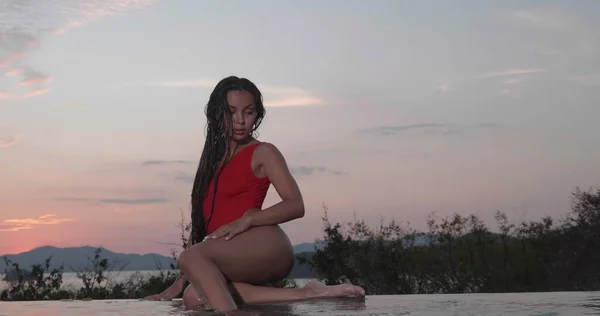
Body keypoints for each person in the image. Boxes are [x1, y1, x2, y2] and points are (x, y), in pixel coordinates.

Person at [143, 76, 365, 312]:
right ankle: (306, 292)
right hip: (228, 250)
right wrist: (181, 280)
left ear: (256, 116)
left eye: (248, 112)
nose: (240, 121)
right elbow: (201, 225)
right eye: (231, 112)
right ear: (217, 114)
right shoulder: (211, 162)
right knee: (193, 296)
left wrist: (248, 219)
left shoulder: (263, 152)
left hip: (265, 243)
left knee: (189, 258)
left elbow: (295, 204)